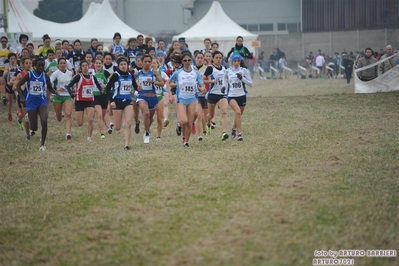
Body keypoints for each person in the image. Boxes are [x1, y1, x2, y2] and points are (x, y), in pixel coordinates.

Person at [16, 58, 60, 151]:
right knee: (34, 128)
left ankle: (42, 144)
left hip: (42, 101)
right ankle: (28, 118)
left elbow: (50, 88)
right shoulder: (30, 74)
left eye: (42, 66)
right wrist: (22, 98)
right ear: (34, 66)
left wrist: (56, 92)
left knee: (44, 121)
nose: (40, 67)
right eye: (38, 66)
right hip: (31, 101)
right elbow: (18, 85)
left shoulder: (45, 76)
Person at [168, 51, 205, 147]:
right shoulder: (178, 73)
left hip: (192, 99)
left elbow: (201, 84)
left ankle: (186, 142)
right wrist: (171, 94)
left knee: (189, 122)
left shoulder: (195, 73)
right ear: (182, 62)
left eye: (189, 60)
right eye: (185, 60)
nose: (187, 62)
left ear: (191, 61)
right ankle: (181, 130)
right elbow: (169, 83)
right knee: (184, 121)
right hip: (181, 99)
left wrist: (202, 88)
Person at [65, 60, 103, 142]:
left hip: (90, 100)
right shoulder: (78, 77)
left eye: (86, 65)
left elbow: (99, 86)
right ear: (81, 68)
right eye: (83, 66)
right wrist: (71, 93)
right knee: (80, 123)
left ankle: (89, 137)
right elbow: (68, 86)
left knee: (91, 119)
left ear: (89, 67)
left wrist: (101, 90)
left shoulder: (93, 77)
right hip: (79, 101)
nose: (85, 67)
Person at [105, 57, 137, 149]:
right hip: (117, 101)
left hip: (128, 101)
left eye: (125, 64)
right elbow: (107, 88)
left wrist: (138, 89)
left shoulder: (131, 75)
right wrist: (111, 101)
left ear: (127, 65)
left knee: (129, 124)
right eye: (121, 65)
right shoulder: (115, 75)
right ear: (118, 66)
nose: (123, 66)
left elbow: (135, 86)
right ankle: (111, 118)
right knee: (118, 127)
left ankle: (126, 145)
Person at [135, 54, 163, 144]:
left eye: (149, 62)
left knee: (150, 118)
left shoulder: (154, 72)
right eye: (145, 61)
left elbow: (162, 83)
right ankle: (147, 134)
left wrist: (154, 82)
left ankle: (146, 129)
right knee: (146, 113)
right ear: (142, 62)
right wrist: (136, 87)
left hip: (153, 97)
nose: (147, 63)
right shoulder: (137, 73)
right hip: (142, 97)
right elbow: (131, 81)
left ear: (151, 63)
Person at [226, 54, 253, 141]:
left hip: (242, 95)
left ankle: (234, 128)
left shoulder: (244, 70)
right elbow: (223, 80)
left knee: (239, 114)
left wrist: (242, 78)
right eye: (235, 61)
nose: (237, 63)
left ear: (240, 62)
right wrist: (223, 87)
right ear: (232, 62)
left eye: (238, 61)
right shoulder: (228, 71)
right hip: (231, 96)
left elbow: (251, 84)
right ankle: (240, 134)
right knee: (237, 112)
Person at [203, 51, 229, 140]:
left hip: (222, 94)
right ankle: (208, 124)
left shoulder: (224, 68)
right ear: (213, 59)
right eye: (216, 58)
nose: (218, 60)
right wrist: (211, 81)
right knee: (210, 115)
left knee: (224, 111)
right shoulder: (210, 68)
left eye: (220, 58)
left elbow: (227, 78)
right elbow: (202, 80)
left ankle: (224, 133)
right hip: (212, 93)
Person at [50, 58, 73, 139]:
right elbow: (50, 83)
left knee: (68, 114)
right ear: (58, 65)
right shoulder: (55, 74)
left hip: (67, 95)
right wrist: (55, 90)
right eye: (61, 63)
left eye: (64, 63)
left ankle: (68, 133)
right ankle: (58, 115)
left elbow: (72, 83)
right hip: (58, 96)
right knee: (59, 118)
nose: (63, 65)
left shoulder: (70, 73)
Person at [3, 53, 19, 121]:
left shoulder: (18, 67)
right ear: (9, 59)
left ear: (16, 59)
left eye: (14, 59)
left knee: (18, 97)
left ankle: (18, 112)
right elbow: (4, 75)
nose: (13, 60)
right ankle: (9, 112)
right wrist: (8, 70)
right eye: (11, 59)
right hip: (9, 85)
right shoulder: (7, 66)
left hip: (15, 85)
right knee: (10, 101)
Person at [0, 36, 12, 104]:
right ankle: (4, 96)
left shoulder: (9, 50)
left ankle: (5, 96)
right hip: (0, 69)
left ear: (7, 42)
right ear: (1, 42)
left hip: (7, 69)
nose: (4, 43)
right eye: (2, 41)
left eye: (5, 41)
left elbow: (14, 58)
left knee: (4, 83)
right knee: (2, 81)